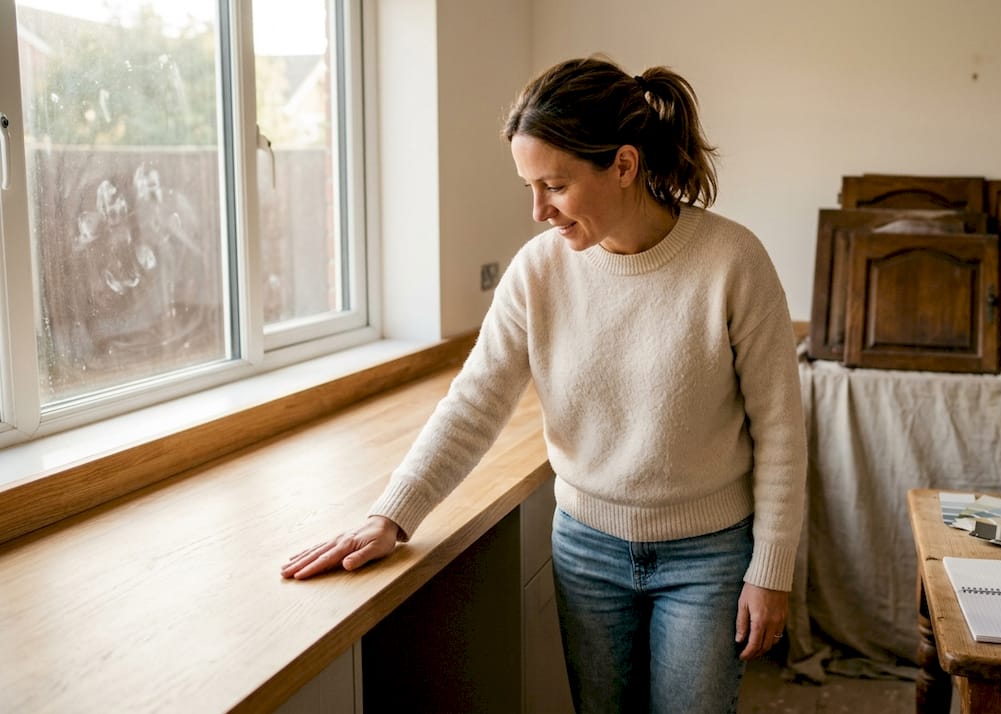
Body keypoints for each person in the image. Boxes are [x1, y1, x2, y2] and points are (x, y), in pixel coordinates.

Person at [281, 55, 806, 714]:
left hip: (707, 557)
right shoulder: (538, 274)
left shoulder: (733, 262)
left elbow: (781, 430)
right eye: (529, 186)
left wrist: (771, 570)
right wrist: (391, 514)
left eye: (554, 185)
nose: (538, 211)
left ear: (622, 165)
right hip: (587, 550)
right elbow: (474, 404)